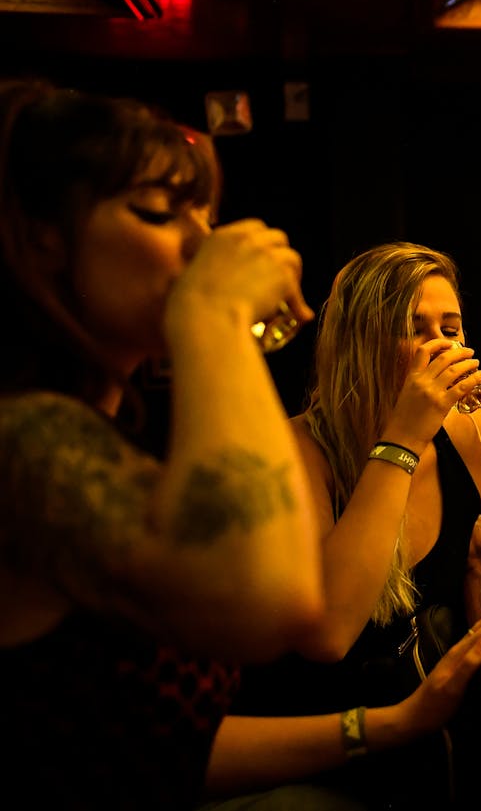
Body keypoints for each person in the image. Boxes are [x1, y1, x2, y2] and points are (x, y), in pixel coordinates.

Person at [0, 79, 326, 809]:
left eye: (204, 211)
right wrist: (211, 310)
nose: (203, 241)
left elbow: (134, 741)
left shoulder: (98, 427)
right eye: (157, 210)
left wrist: (380, 729)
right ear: (43, 235)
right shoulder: (20, 436)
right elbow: (271, 595)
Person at [215, 241, 481, 809]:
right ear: (359, 345)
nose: (442, 344)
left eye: (451, 328)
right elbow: (331, 632)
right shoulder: (292, 452)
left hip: (419, 750)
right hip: (303, 761)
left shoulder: (472, 435)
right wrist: (403, 440)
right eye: (416, 328)